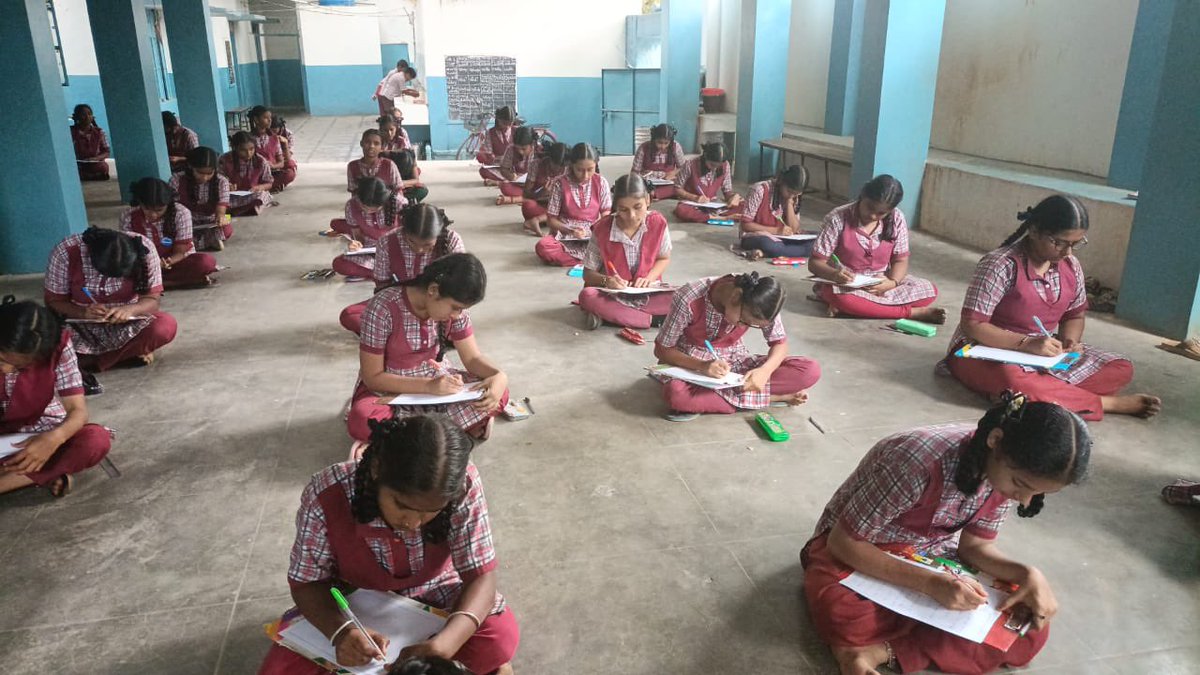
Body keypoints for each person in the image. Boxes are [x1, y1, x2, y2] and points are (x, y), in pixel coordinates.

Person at [802, 393, 1089, 675]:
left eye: (1037, 493)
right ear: (996, 440)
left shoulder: (1002, 476)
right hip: (860, 550)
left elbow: (975, 547)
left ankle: (875, 651)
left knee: (1026, 628)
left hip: (933, 556)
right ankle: (883, 646)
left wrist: (1027, 574)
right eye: (1020, 484)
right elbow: (842, 543)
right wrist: (930, 584)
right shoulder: (916, 461)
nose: (1024, 500)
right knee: (842, 610)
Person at [256, 415, 519, 675]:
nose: (413, 523)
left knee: (498, 638)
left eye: (431, 511)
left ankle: (482, 661)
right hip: (352, 602)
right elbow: (307, 584)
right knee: (279, 670)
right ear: (376, 469)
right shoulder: (327, 493)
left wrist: (444, 644)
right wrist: (341, 632)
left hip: (438, 593)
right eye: (402, 505)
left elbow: (481, 576)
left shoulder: (463, 484)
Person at [945, 195, 1161, 421]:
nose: (1068, 252)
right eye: (1059, 242)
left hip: (1044, 351)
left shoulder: (1070, 265)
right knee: (1012, 379)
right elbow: (972, 325)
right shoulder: (999, 264)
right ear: (1035, 231)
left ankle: (1036, 394)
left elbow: (1074, 314)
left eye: (1076, 244)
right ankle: (1104, 403)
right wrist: (1026, 343)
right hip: (983, 349)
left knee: (1120, 367)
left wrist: (1070, 342)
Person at [348, 254, 508, 445]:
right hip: (390, 389)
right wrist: (428, 386)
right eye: (455, 308)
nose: (457, 316)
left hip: (439, 384)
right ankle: (450, 431)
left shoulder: (455, 313)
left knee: (498, 393)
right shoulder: (383, 307)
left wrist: (499, 376)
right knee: (363, 417)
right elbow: (372, 378)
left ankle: (412, 438)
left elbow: (472, 358)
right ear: (433, 290)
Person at [652, 272, 821, 421]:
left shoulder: (761, 298)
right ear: (734, 298)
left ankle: (722, 400)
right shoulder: (689, 297)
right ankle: (772, 398)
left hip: (736, 363)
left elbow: (780, 344)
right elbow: (662, 349)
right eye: (744, 322)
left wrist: (765, 371)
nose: (743, 326)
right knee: (676, 394)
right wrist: (702, 366)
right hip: (690, 364)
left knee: (809, 370)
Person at [0, 298, 112, 499]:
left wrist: (53, 439)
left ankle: (20, 476)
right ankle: (41, 473)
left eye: (20, 368)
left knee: (94, 441)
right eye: (1, 360)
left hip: (35, 432)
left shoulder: (58, 346)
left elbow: (77, 411)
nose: (7, 371)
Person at [43, 227, 179, 386]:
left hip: (128, 325)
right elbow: (53, 301)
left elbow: (152, 300)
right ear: (91, 256)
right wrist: (82, 312)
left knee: (164, 326)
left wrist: (129, 310)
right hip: (79, 327)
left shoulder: (145, 249)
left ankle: (88, 361)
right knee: (42, 337)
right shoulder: (66, 251)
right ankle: (125, 355)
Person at [807, 175, 944, 323]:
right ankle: (910, 313)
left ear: (890, 211)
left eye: (881, 213)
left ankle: (863, 308)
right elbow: (815, 263)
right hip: (845, 285)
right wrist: (835, 275)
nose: (873, 216)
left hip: (881, 283)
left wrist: (892, 283)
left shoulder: (897, 218)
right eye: (870, 207)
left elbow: (900, 260)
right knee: (841, 297)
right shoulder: (837, 218)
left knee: (929, 290)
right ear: (863, 195)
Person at [339, 204, 466, 334]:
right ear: (403, 231)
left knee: (456, 321)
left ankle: (400, 337)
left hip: (439, 307)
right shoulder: (387, 242)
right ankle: (412, 335)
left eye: (428, 244)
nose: (419, 249)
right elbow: (382, 287)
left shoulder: (452, 241)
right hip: (400, 304)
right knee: (350, 315)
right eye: (411, 242)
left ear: (438, 234)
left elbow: (460, 287)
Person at [578, 174, 673, 331]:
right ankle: (653, 320)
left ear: (648, 200)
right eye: (623, 209)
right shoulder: (602, 229)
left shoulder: (658, 222)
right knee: (587, 296)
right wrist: (607, 281)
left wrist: (648, 279)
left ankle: (615, 317)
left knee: (682, 297)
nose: (632, 216)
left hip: (648, 292)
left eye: (638, 207)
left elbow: (664, 258)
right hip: (613, 295)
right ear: (615, 206)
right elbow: (588, 274)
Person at [119, 177, 218, 288]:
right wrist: (150, 264)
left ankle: (154, 285)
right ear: (139, 203)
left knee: (205, 262)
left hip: (174, 263)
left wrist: (166, 262)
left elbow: (181, 252)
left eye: (159, 210)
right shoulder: (128, 216)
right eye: (147, 209)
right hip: (144, 266)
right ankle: (175, 283)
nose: (153, 215)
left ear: (168, 204)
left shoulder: (181, 213)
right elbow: (128, 251)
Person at [534, 143, 611, 267]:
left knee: (614, 244)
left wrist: (595, 230)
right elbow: (551, 220)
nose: (585, 175)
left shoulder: (601, 182)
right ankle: (591, 261)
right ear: (571, 166)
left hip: (592, 236)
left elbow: (606, 214)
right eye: (580, 170)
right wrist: (570, 231)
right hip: (565, 236)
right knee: (543, 247)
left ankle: (576, 259)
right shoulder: (559, 183)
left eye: (590, 169)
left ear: (596, 165)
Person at [330, 177, 402, 281]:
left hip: (396, 250)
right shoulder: (351, 205)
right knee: (339, 264)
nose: (368, 211)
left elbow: (409, 234)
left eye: (375, 209)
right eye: (364, 207)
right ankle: (386, 273)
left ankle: (381, 273)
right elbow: (358, 236)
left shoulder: (399, 203)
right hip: (371, 251)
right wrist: (356, 244)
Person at [737, 165, 815, 260]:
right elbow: (745, 225)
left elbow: (794, 229)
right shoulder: (760, 190)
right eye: (789, 191)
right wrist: (776, 231)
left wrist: (789, 203)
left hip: (783, 238)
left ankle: (769, 252)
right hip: (757, 237)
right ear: (781, 181)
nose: (792, 195)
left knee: (818, 239)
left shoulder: (792, 198)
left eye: (796, 194)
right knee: (771, 246)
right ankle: (782, 251)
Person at [170, 146, 232, 252]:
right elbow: (172, 207)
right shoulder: (177, 179)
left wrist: (220, 217)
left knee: (227, 226)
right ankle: (206, 242)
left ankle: (193, 244)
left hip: (211, 220)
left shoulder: (222, 181)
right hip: (185, 221)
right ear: (190, 166)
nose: (204, 177)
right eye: (200, 172)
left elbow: (221, 208)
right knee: (169, 234)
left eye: (209, 173)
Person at [673, 142, 743, 223]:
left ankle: (710, 216)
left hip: (713, 205)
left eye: (718, 166)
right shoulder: (690, 165)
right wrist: (695, 198)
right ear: (705, 157)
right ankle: (719, 218)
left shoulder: (725, 165)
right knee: (682, 210)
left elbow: (727, 191)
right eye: (712, 164)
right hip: (693, 205)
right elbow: (677, 188)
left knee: (744, 205)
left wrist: (734, 197)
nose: (715, 169)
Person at [219, 131, 275, 217]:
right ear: (235, 148)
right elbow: (218, 179)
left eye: (251, 149)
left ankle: (236, 211)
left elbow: (269, 183)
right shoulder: (224, 160)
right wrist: (227, 186)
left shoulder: (261, 161)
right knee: (218, 200)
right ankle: (245, 210)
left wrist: (259, 187)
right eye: (243, 150)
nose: (248, 153)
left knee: (261, 195)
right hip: (231, 196)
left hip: (251, 194)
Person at [520, 142, 569, 237]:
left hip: (561, 206)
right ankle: (550, 220)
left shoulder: (569, 168)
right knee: (528, 206)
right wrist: (542, 192)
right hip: (542, 204)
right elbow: (526, 194)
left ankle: (537, 220)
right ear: (549, 159)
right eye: (555, 165)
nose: (558, 169)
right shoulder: (536, 165)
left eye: (561, 167)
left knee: (572, 210)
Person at [631, 123, 686, 200]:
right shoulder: (643, 148)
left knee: (681, 186)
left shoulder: (676, 147)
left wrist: (673, 173)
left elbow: (683, 167)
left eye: (666, 143)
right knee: (634, 185)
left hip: (668, 181)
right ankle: (653, 193)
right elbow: (634, 172)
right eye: (659, 142)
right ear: (654, 139)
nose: (663, 146)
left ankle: (653, 194)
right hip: (648, 182)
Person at [248, 105, 296, 192]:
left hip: (271, 172)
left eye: (270, 117)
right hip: (255, 174)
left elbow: (281, 163)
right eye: (266, 118)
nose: (270, 120)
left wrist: (273, 165)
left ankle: (265, 187)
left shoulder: (274, 138)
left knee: (290, 174)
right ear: (256, 120)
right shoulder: (249, 138)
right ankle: (269, 187)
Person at [491, 127, 537, 204]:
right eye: (518, 148)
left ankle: (517, 199)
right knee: (505, 187)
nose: (520, 152)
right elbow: (504, 169)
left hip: (535, 186)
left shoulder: (540, 151)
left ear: (532, 144)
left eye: (524, 149)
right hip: (519, 183)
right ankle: (527, 198)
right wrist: (511, 176)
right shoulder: (511, 149)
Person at [70, 104, 110, 181]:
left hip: (93, 163)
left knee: (103, 167)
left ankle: (87, 176)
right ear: (77, 117)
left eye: (89, 114)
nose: (87, 117)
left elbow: (106, 151)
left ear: (92, 117)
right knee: (72, 170)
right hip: (78, 164)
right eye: (83, 115)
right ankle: (90, 176)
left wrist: (95, 159)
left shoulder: (99, 132)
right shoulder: (71, 132)